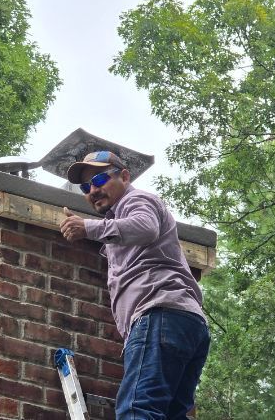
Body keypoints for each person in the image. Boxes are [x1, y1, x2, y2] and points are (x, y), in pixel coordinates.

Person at [60, 150, 210, 420]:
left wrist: (88, 228)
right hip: (186, 322)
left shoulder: (137, 199)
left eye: (100, 179)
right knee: (170, 415)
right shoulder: (117, 220)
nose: (93, 190)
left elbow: (145, 227)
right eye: (85, 186)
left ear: (125, 176)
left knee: (136, 410)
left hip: (159, 313)